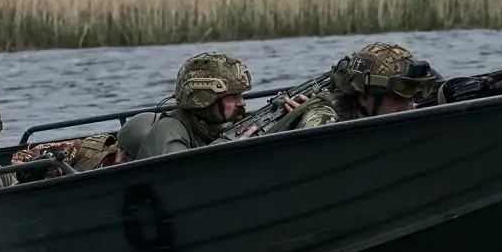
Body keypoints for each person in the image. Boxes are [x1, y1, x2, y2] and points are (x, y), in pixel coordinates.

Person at [265, 42, 438, 134]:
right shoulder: (321, 114)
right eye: (397, 98)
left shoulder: (389, 115)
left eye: (412, 97)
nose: (409, 107)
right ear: (363, 96)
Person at [133, 51, 255, 159]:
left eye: (240, 95)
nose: (242, 102)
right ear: (205, 100)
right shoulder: (168, 131)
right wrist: (225, 149)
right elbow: (183, 178)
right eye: (233, 96)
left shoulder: (213, 126)